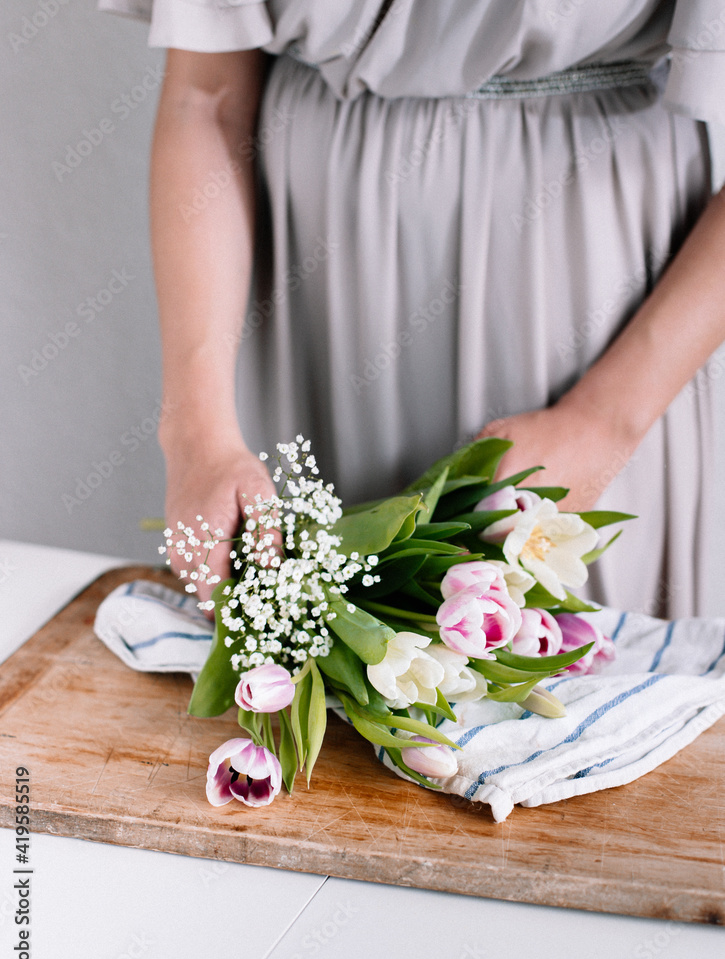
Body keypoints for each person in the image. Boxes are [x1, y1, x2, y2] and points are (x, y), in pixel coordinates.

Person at [97, 0, 725, 620]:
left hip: (603, 309)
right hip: (315, 307)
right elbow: (205, 99)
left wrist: (604, 421)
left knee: (586, 663)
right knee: (317, 657)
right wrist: (197, 432)